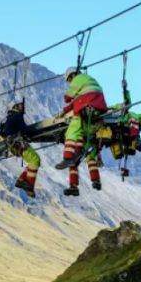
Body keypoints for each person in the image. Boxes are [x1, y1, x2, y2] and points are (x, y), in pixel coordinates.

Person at [54, 67, 108, 195]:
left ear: (71, 76)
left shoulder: (77, 80)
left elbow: (68, 98)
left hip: (85, 106)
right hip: (97, 107)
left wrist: (67, 98)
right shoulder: (90, 81)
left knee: (71, 133)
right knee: (86, 157)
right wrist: (64, 111)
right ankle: (91, 182)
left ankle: (67, 158)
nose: (69, 82)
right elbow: (74, 102)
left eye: (68, 80)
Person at [0, 101, 40, 198]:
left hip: (13, 146)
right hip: (19, 143)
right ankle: (29, 186)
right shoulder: (17, 116)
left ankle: (21, 180)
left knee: (32, 161)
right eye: (21, 107)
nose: (23, 109)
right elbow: (24, 130)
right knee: (35, 160)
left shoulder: (7, 118)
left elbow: (3, 133)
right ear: (16, 107)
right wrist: (36, 131)